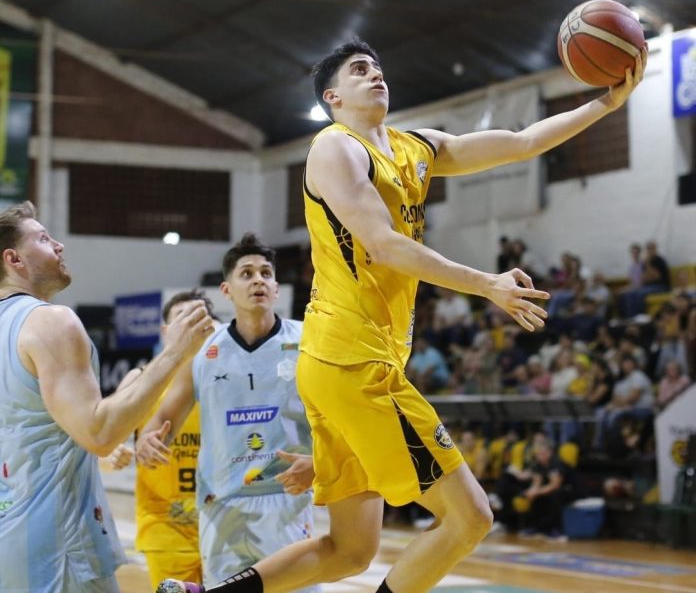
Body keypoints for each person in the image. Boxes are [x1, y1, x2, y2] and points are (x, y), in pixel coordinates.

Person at [159, 37, 646, 593]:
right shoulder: (334, 148)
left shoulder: (414, 148)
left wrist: (605, 103)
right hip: (353, 361)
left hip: (343, 363)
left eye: (378, 67)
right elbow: (384, 245)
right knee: (472, 517)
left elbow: (520, 141)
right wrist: (486, 283)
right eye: (359, 70)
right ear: (332, 96)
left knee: (349, 550)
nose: (376, 75)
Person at [0, 201, 213, 592]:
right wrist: (176, 352)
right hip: (57, 546)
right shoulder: (49, 320)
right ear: (14, 259)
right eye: (44, 239)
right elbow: (98, 433)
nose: (59, 245)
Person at [138, 234, 315, 591]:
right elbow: (162, 420)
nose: (258, 281)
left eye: (266, 273)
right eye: (246, 274)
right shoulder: (203, 352)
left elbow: (340, 417)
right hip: (222, 503)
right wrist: (148, 440)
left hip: (287, 497)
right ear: (226, 290)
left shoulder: (308, 341)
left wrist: (322, 461)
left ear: (277, 288)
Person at [113, 290, 216, 590]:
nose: (190, 327)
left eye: (198, 319)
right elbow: (107, 443)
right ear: (165, 331)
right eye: (182, 319)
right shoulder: (139, 379)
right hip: (166, 526)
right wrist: (112, 454)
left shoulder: (231, 378)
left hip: (225, 524)